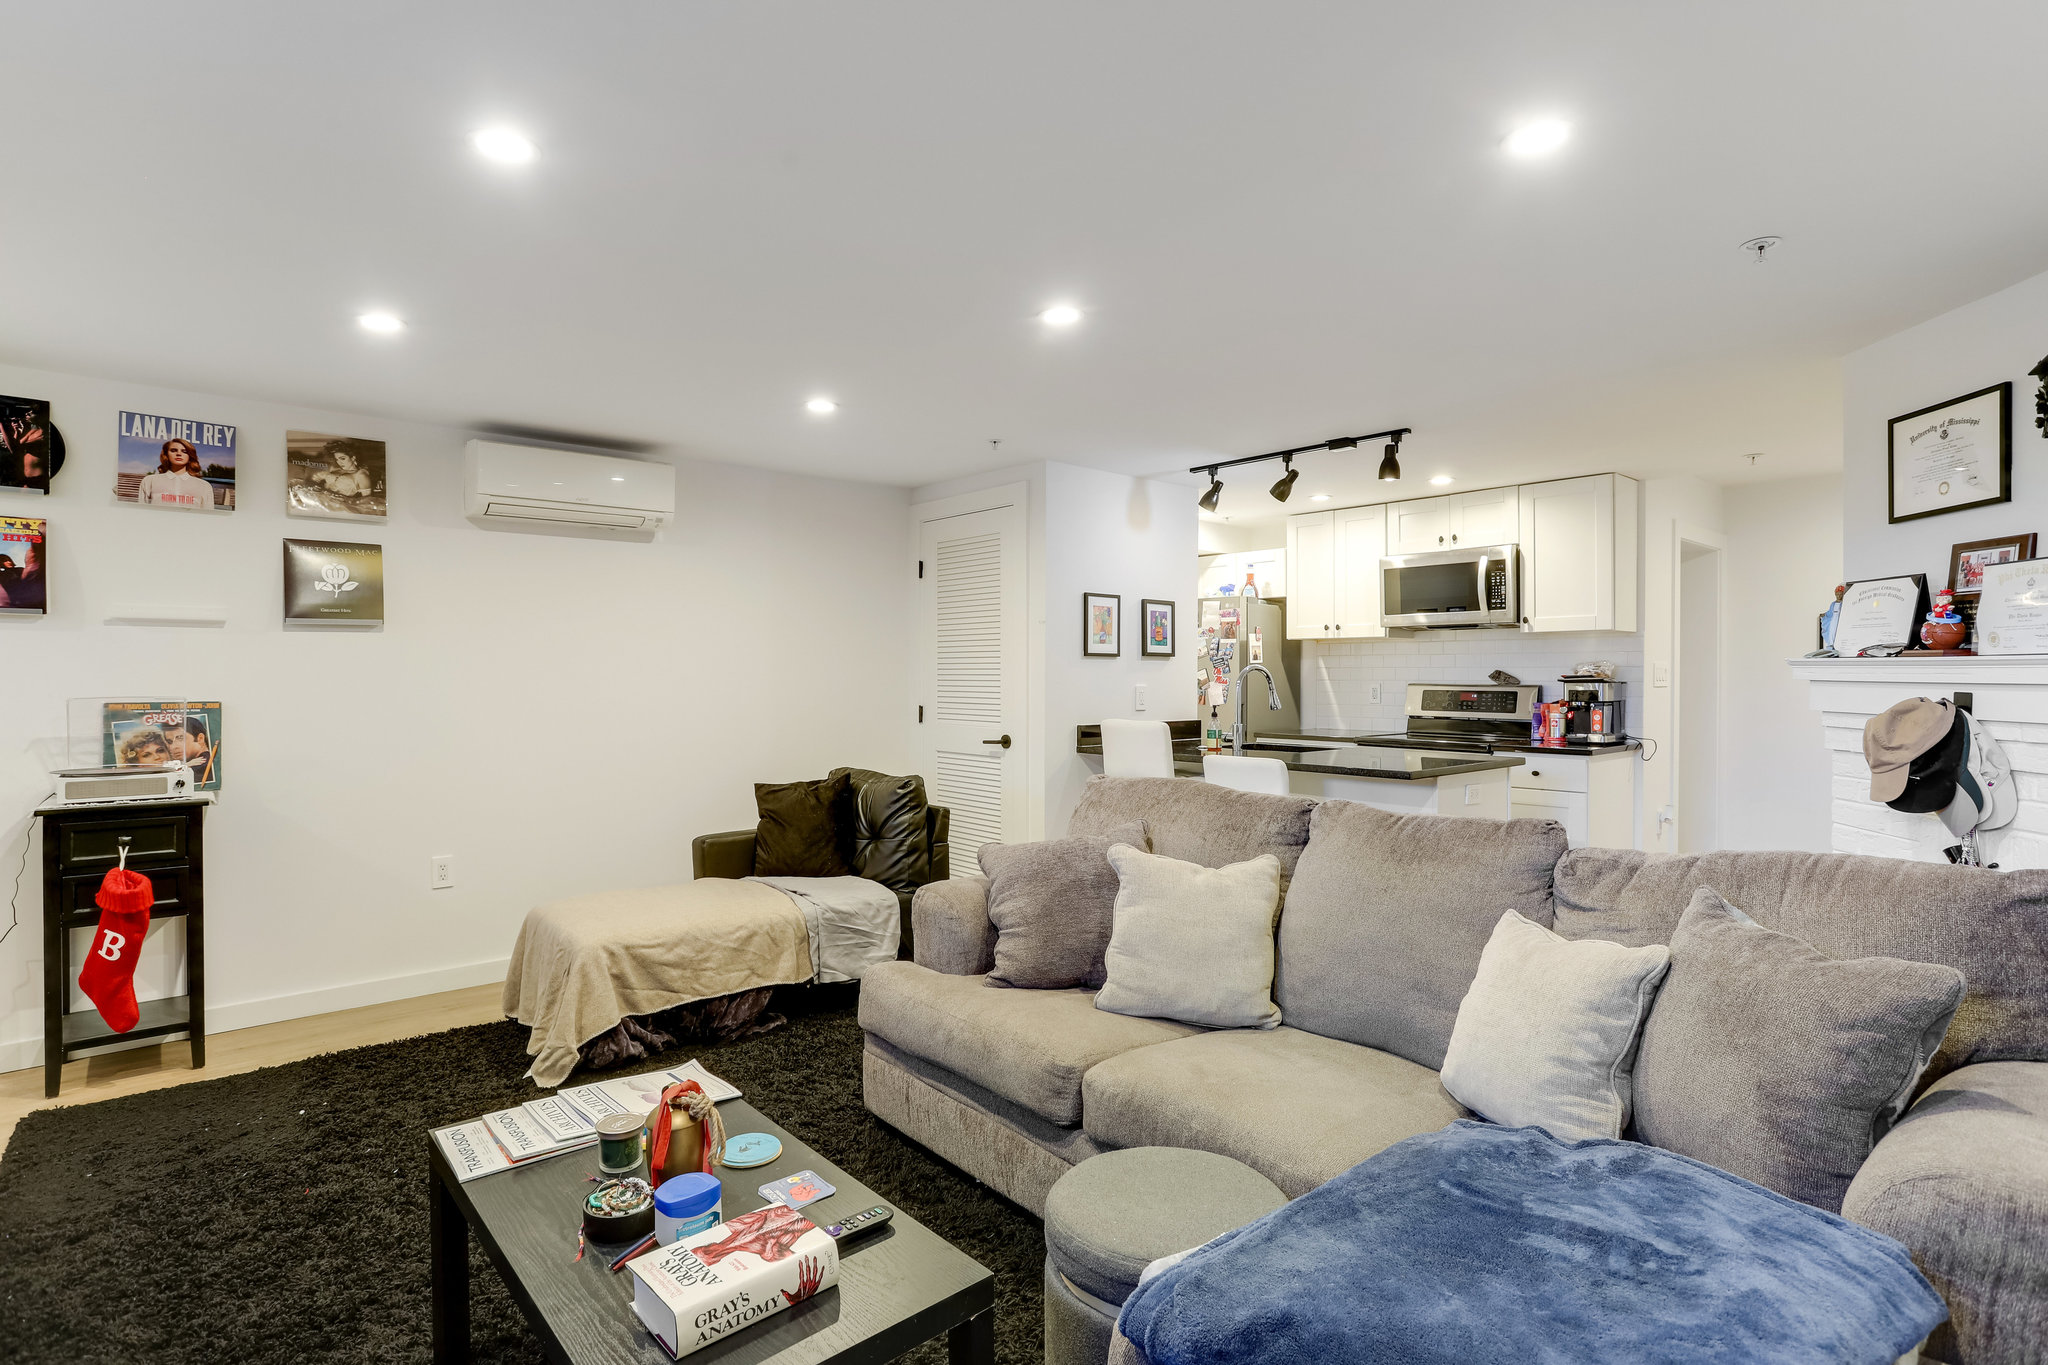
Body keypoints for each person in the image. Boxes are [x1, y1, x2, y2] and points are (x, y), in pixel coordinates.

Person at [135, 438, 212, 509]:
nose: (179, 454)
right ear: (166, 455)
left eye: (184, 451)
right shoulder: (149, 481)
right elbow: (142, 511)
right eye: (173, 450)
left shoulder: (204, 486)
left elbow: (209, 517)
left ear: (190, 456)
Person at [169, 715, 214, 785]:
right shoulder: (194, 763)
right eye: (170, 741)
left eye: (180, 738)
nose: (173, 747)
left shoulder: (201, 764)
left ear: (200, 738)